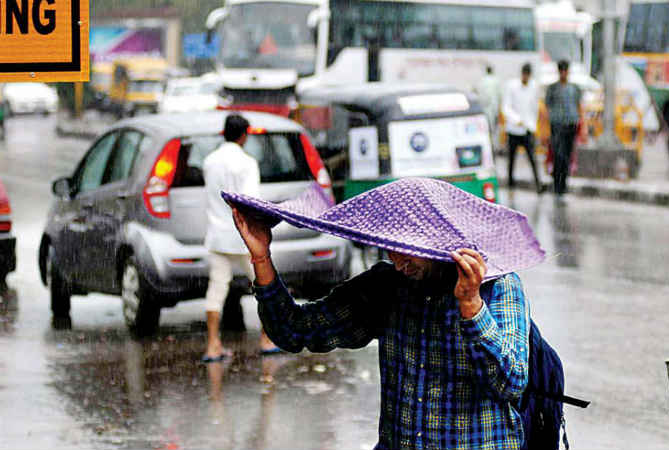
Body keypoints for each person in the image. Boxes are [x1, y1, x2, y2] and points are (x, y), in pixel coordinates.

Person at [225, 178, 541, 449]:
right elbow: (293, 330)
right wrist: (262, 258)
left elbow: (510, 383)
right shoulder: (387, 286)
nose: (398, 262)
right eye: (390, 247)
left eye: (407, 250)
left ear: (436, 240)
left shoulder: (498, 287)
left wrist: (471, 306)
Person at [202, 113, 279, 362]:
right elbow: (250, 202)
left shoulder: (209, 162)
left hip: (217, 235)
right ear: (244, 135)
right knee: (264, 288)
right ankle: (267, 340)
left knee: (216, 291)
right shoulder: (247, 163)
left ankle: (213, 345)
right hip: (244, 238)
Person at [503, 62, 543, 193]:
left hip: (527, 129)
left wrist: (532, 125)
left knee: (532, 158)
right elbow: (506, 107)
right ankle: (510, 184)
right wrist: (516, 120)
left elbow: (534, 108)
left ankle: (538, 184)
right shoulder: (512, 86)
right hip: (513, 129)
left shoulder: (534, 87)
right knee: (511, 159)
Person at [545, 60, 582, 196]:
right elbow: (547, 106)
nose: (563, 73)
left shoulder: (575, 88)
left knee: (567, 155)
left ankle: (564, 184)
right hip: (557, 125)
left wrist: (580, 125)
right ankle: (556, 184)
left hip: (571, 124)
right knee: (558, 154)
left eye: (565, 70)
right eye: (561, 71)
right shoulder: (553, 88)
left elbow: (578, 106)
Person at [474, 65, 501, 146]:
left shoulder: (481, 81)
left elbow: (477, 94)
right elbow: (500, 95)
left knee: (485, 129)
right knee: (493, 130)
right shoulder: (496, 80)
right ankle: (493, 147)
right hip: (493, 109)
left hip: (484, 109)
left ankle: (487, 146)